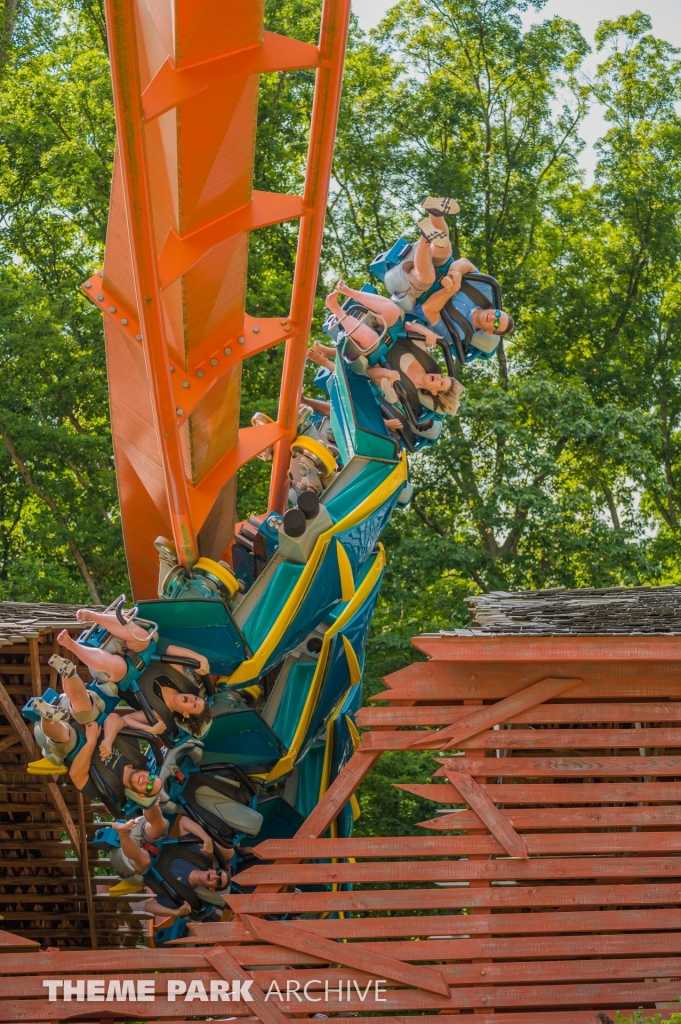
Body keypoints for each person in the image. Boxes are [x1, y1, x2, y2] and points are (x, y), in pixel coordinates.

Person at [111, 813, 232, 921]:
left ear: (211, 889)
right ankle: (150, 800)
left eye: (218, 881)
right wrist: (206, 839)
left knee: (145, 860)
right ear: (212, 869)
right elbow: (183, 821)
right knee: (161, 827)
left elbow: (149, 906)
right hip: (148, 839)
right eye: (219, 873)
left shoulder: (185, 896)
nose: (215, 877)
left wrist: (175, 913)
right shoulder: (199, 857)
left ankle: (122, 833)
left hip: (136, 863)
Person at [384, 197, 461, 310]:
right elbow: (464, 264)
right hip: (424, 265)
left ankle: (428, 231)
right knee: (443, 249)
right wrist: (451, 279)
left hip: (406, 276)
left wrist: (451, 288)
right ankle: (434, 216)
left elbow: (428, 310)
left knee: (427, 278)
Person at [68, 721, 163, 806]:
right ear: (147, 772)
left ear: (141, 794)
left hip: (71, 744)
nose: (147, 781)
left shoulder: (106, 790)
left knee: (64, 734)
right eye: (151, 777)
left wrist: (91, 742)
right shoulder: (134, 753)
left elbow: (76, 774)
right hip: (91, 722)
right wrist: (108, 740)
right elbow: (114, 719)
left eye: (149, 787)